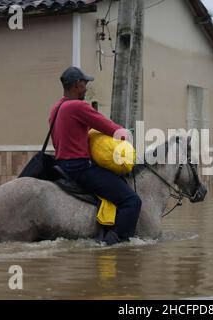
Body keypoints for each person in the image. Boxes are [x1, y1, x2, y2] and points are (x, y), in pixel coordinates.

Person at [49, 66, 141, 245]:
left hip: (60, 164)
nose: (86, 88)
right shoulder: (78, 106)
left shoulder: (56, 107)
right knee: (132, 201)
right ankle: (113, 245)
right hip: (79, 168)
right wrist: (125, 134)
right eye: (84, 84)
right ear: (76, 85)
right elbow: (108, 126)